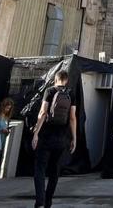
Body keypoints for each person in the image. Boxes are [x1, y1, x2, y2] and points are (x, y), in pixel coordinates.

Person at [31, 71, 77, 208]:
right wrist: (74, 138)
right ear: (66, 81)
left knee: (40, 169)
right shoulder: (71, 93)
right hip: (61, 139)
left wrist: (36, 133)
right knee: (54, 171)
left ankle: (40, 201)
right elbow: (73, 117)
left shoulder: (50, 91)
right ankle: (48, 202)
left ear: (55, 79)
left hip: (46, 136)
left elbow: (43, 113)